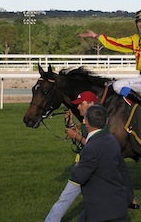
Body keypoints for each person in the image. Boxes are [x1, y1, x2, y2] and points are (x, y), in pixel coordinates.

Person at [70, 105, 133, 222]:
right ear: (106, 121)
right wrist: (129, 197)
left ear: (86, 122)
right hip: (117, 205)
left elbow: (78, 177)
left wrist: (76, 165)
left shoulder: (91, 148)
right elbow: (123, 170)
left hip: (101, 211)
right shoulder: (112, 140)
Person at [45, 91, 98, 222]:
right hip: (88, 167)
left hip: (86, 167)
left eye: (81, 104)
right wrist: (71, 124)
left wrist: (76, 136)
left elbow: (94, 145)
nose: (78, 107)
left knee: (65, 198)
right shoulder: (89, 120)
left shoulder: (98, 122)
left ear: (91, 104)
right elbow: (85, 141)